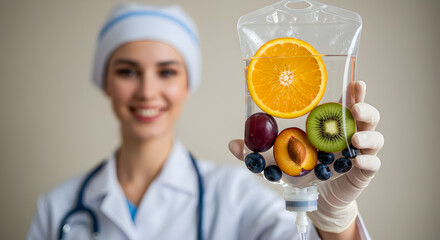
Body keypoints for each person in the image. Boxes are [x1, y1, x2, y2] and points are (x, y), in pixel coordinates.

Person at [27, 3, 383, 240]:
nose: (147, 91)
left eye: (167, 71)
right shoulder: (57, 208)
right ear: (105, 80)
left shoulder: (237, 197)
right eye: (127, 71)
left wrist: (334, 219)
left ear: (188, 82)